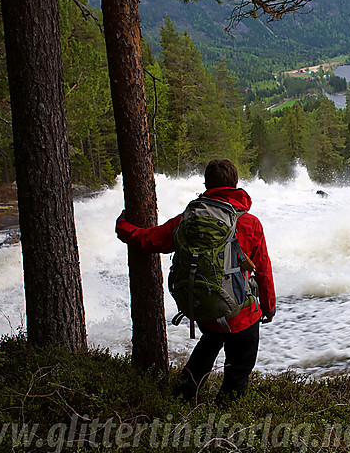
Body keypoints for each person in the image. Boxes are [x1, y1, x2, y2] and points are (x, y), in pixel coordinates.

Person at [115, 159, 276, 403]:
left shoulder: (189, 218)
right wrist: (269, 306)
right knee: (239, 370)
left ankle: (181, 400)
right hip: (240, 316)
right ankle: (225, 417)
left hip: (205, 309)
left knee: (209, 344)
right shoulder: (249, 223)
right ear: (235, 185)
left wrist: (124, 226)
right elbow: (262, 270)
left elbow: (150, 240)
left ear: (206, 184)